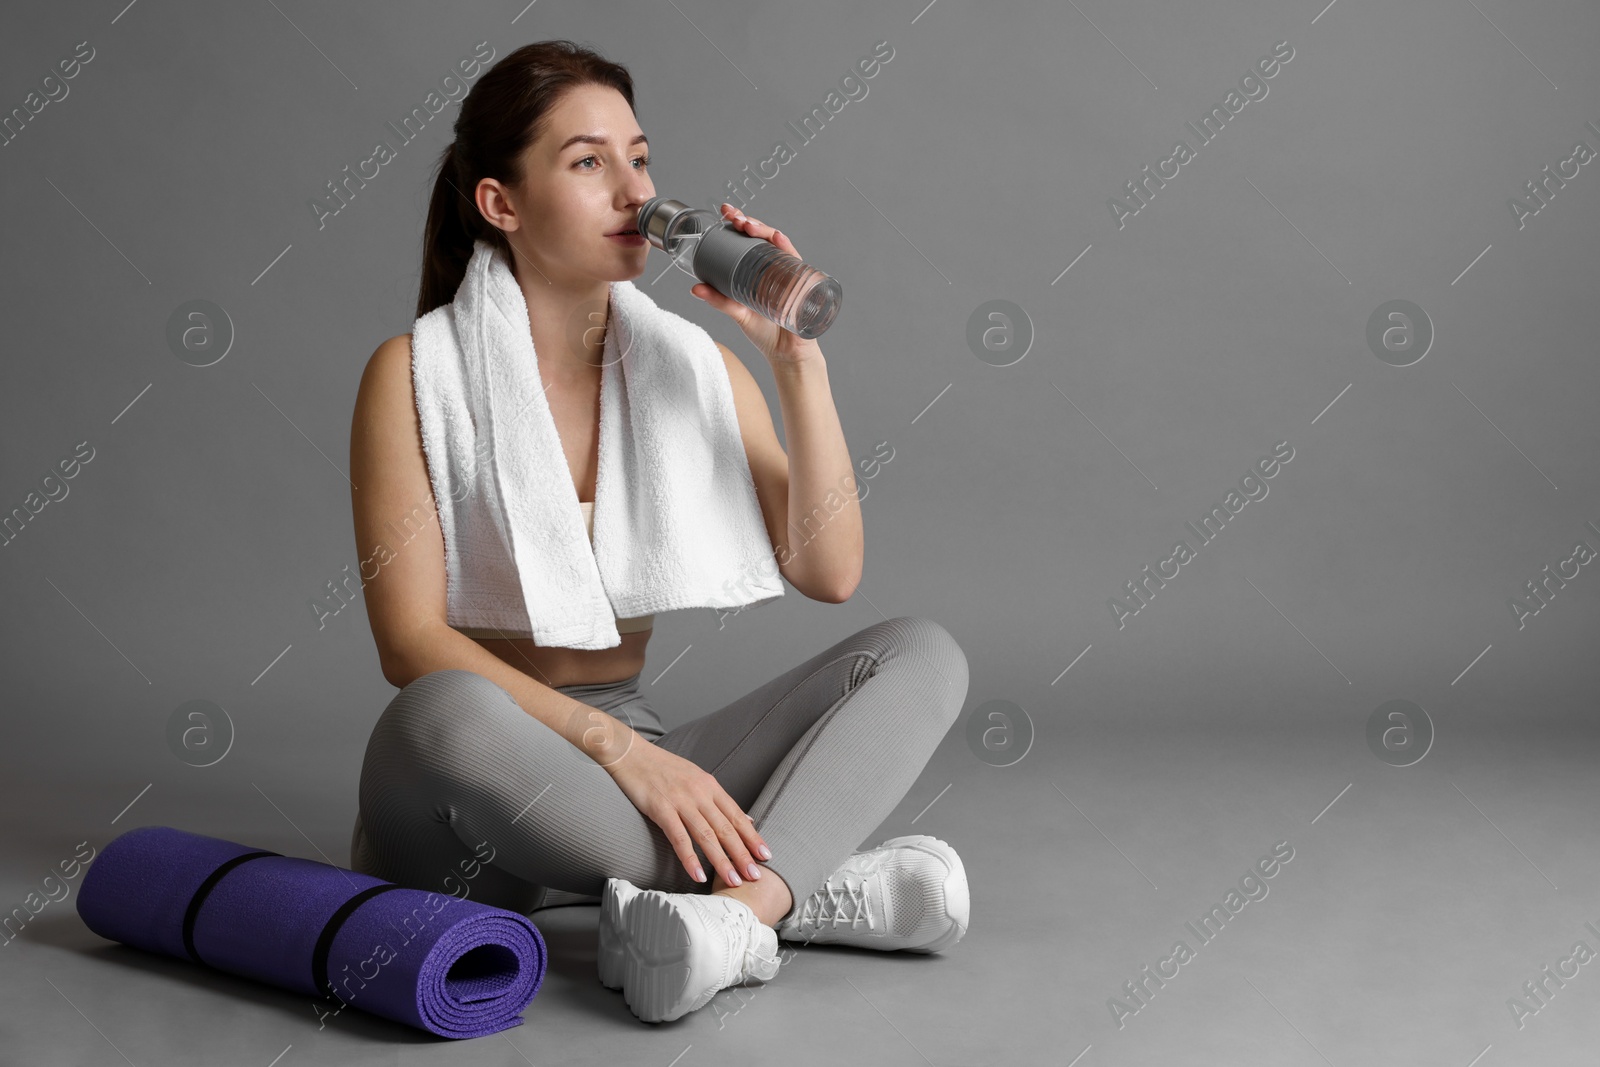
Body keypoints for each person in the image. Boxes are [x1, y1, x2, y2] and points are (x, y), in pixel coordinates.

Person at [346, 40, 970, 1024]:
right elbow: (409, 644)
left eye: (638, 158)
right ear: (500, 204)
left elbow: (831, 569)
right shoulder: (413, 375)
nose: (633, 189)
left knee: (922, 654)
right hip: (472, 792)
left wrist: (795, 364)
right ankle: (799, 880)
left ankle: (743, 910)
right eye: (587, 162)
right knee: (440, 709)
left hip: (628, 785)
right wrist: (623, 752)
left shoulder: (692, 368)